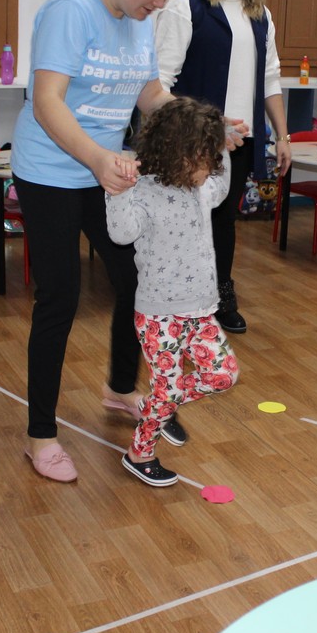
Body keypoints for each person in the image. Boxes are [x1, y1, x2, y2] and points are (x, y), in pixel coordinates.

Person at [12, 0, 226, 483]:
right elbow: (46, 101)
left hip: (105, 173)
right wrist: (96, 158)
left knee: (135, 278)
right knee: (59, 297)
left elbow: (150, 94)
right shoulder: (70, 10)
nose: (159, 3)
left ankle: (119, 388)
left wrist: (208, 127)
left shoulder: (138, 21)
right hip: (52, 173)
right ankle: (40, 435)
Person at [154, 0, 291, 334]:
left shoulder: (260, 15)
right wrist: (194, 127)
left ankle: (220, 296)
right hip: (191, 140)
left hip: (239, 142)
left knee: (223, 222)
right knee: (184, 222)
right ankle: (175, 301)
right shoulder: (185, 5)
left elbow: (270, 79)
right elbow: (160, 81)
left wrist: (282, 136)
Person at [106, 98, 242, 486]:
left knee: (224, 375)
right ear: (178, 154)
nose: (210, 168)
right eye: (204, 158)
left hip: (200, 312)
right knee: (166, 392)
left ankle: (160, 404)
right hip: (159, 316)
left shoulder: (200, 188)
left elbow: (221, 186)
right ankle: (140, 454)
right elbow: (121, 234)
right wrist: (118, 192)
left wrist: (224, 145)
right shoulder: (143, 192)